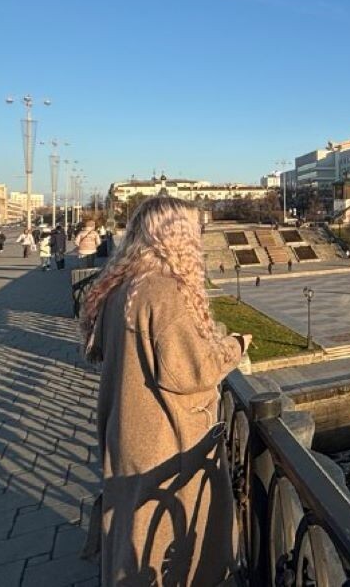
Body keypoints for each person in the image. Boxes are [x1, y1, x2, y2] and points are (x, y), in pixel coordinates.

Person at [78, 196, 248, 586]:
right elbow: (192, 371)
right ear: (175, 236)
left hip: (128, 432)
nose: (200, 238)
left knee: (134, 527)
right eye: (194, 230)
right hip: (169, 443)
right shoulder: (163, 291)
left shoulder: (122, 287)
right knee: (171, 541)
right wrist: (237, 345)